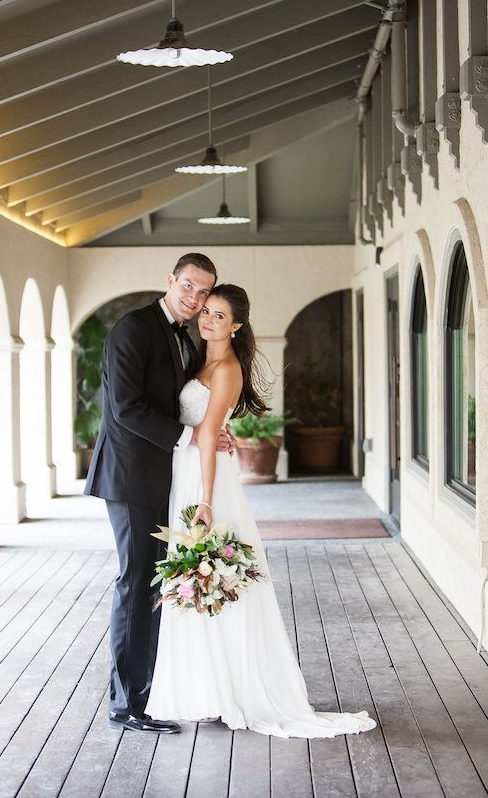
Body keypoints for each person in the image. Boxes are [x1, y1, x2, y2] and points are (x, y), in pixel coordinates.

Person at [146, 284, 377, 738]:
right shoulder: (199, 358)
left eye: (219, 315)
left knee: (214, 576)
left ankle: (233, 686)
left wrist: (206, 501)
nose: (208, 319)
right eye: (206, 312)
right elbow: (197, 427)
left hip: (204, 479)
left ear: (237, 326)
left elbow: (210, 435)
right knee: (196, 579)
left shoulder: (227, 367)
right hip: (187, 467)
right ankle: (206, 686)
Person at [85, 253, 231, 735]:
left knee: (153, 584)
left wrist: (210, 431)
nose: (195, 297)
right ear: (171, 281)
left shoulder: (183, 335)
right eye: (188, 286)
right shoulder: (133, 329)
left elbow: (180, 402)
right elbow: (125, 409)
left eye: (204, 292)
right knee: (137, 583)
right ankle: (127, 705)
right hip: (129, 478)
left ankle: (149, 690)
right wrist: (191, 437)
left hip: (160, 478)